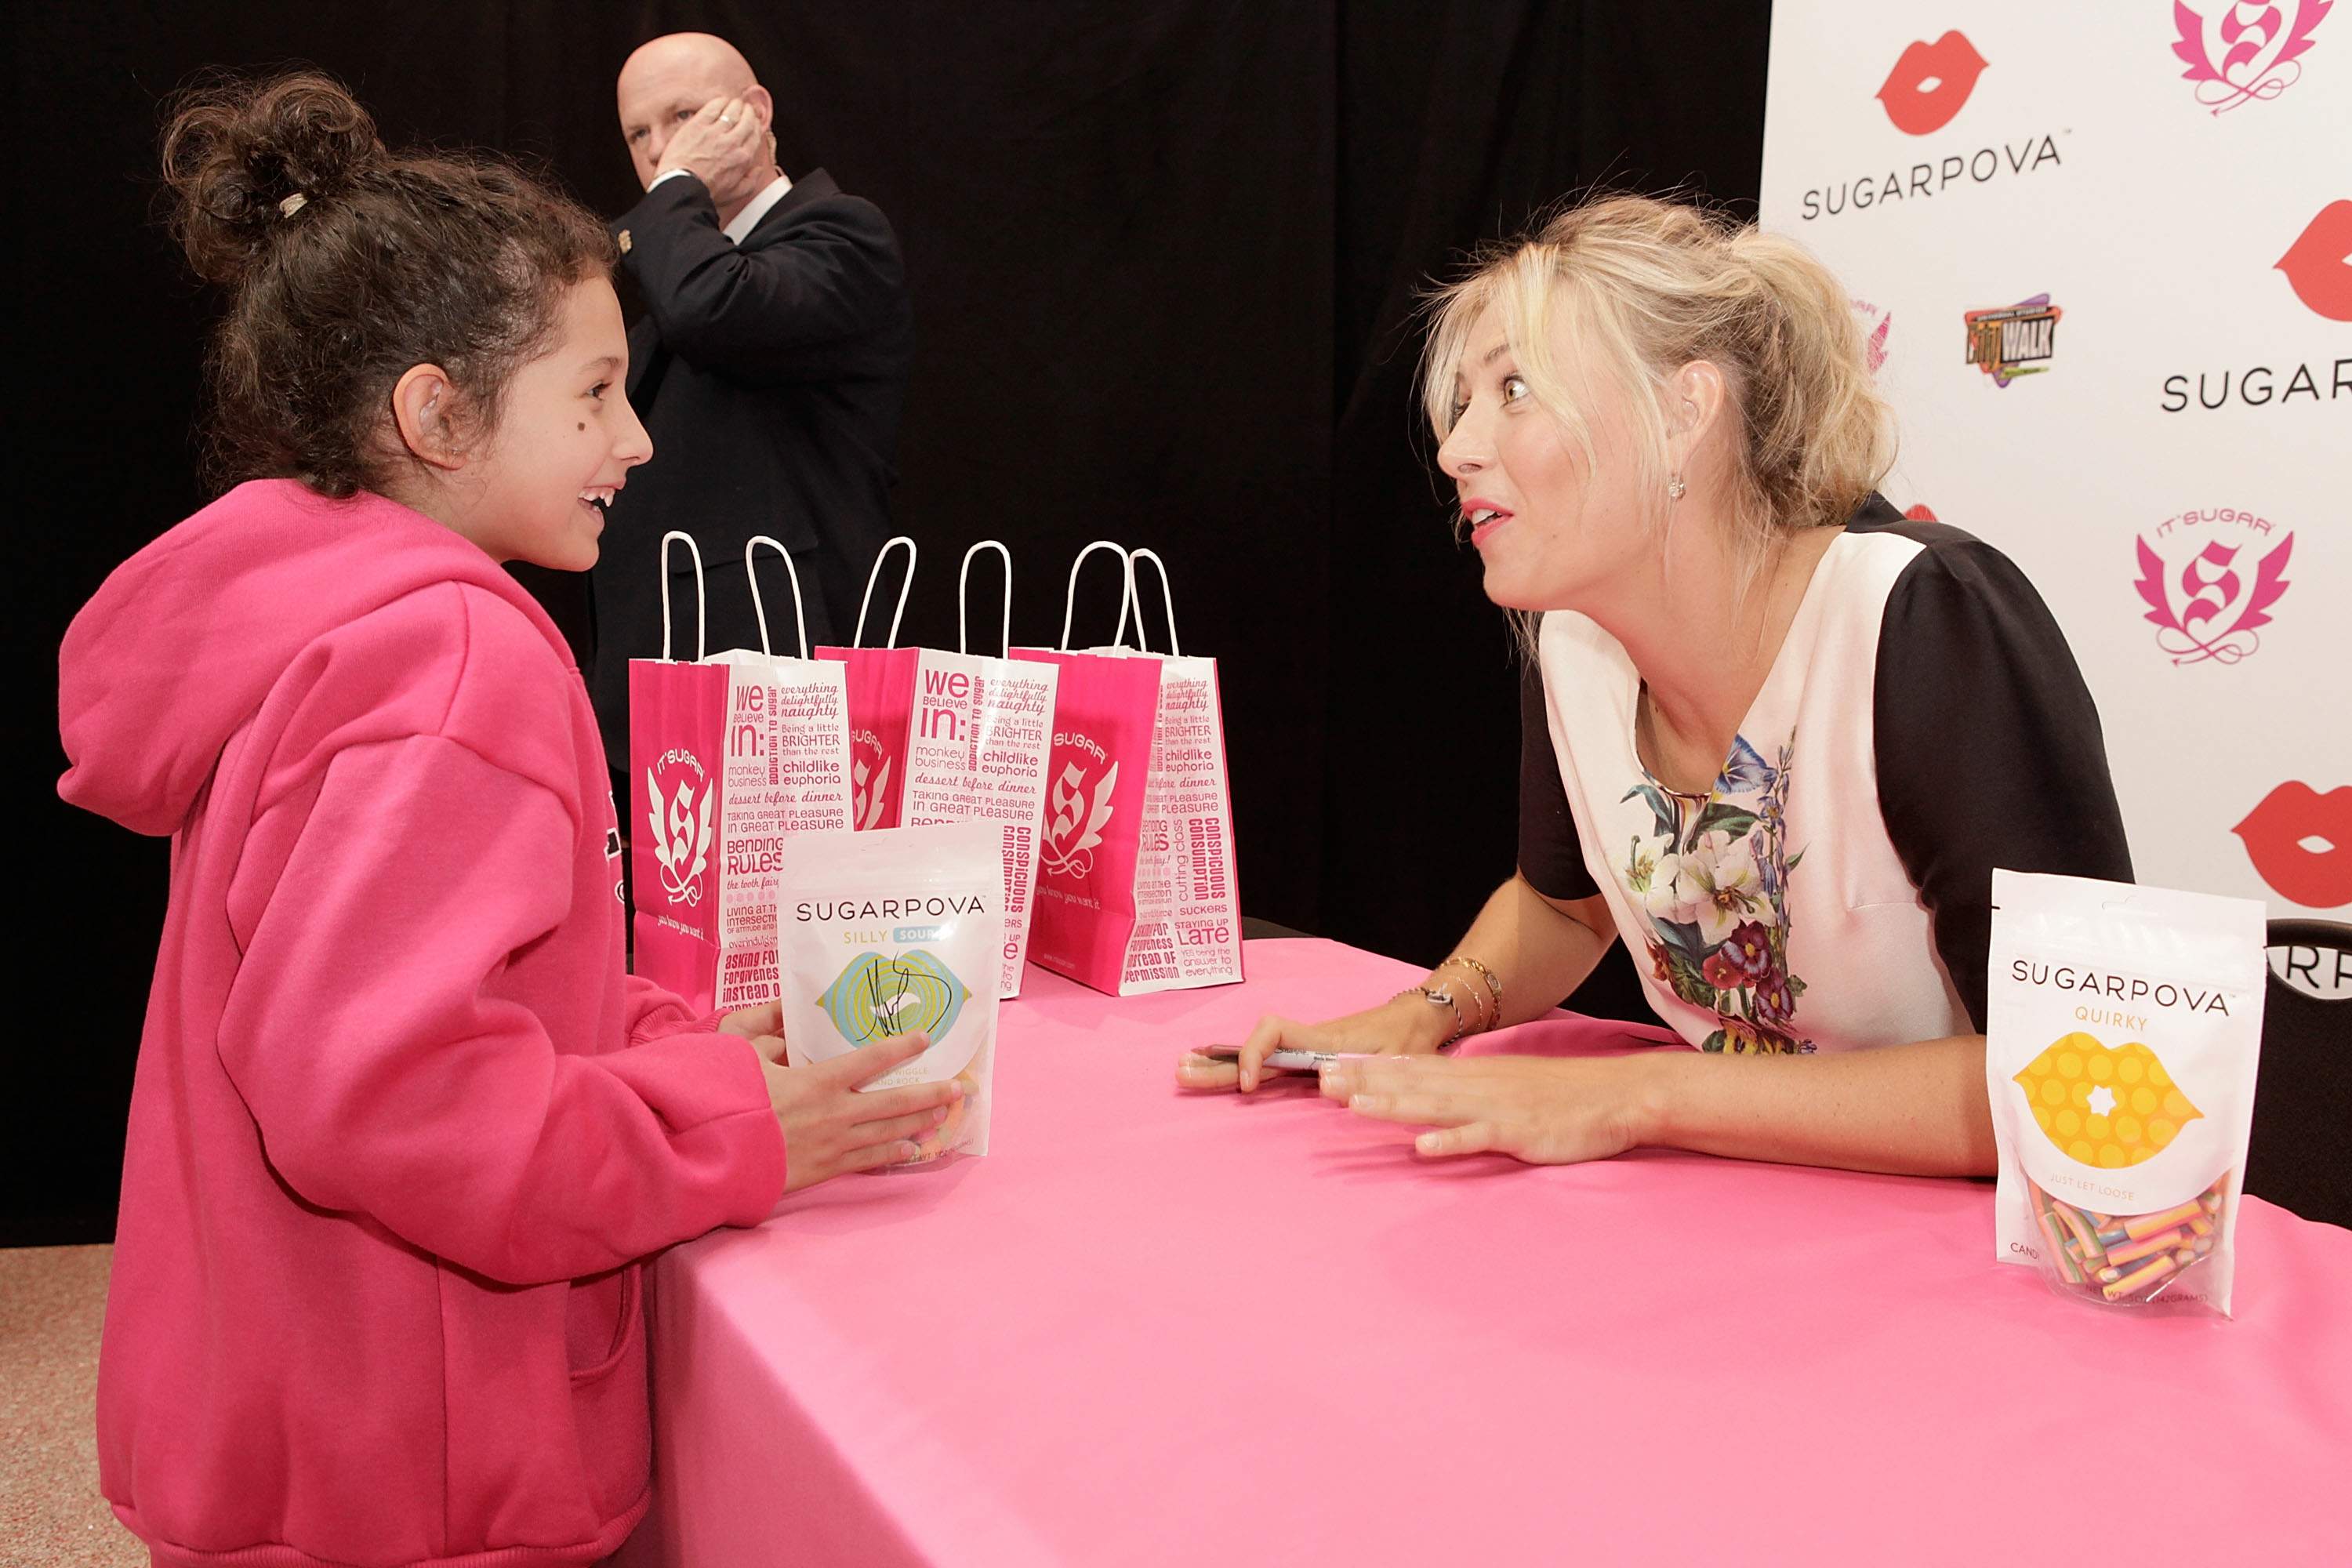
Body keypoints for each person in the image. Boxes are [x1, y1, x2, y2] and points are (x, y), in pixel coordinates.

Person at [56, 73, 956, 1568]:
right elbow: (391, 1095)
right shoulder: (450, 658)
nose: (641, 443)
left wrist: (673, 1043)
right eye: (595, 394)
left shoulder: (310, 617)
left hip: (292, 1411)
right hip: (409, 1472)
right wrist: (734, 1132)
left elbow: (415, 995)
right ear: (436, 413)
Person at [1181, 195, 2132, 1176]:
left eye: (1513, 389)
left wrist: (1636, 1095)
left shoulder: (1927, 618)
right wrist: (1423, 1014)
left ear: (1685, 413)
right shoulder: (1575, 642)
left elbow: (2077, 1069)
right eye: (1464, 401)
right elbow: (1564, 906)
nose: (1457, 447)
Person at [590, 31, 914, 782]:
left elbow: (709, 309)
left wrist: (676, 189)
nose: (662, 149)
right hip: (648, 671)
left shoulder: (840, 233)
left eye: (685, 116)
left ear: (756, 111)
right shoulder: (657, 257)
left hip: (772, 673)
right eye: (640, 133)